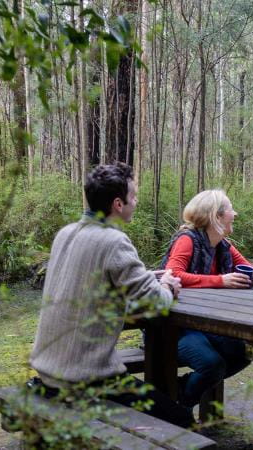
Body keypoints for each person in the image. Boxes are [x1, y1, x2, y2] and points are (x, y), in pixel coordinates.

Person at [29, 163, 193, 428]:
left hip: (47, 372)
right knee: (180, 420)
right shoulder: (113, 241)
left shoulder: (65, 233)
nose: (136, 201)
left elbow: (91, 278)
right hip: (86, 380)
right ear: (118, 203)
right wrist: (168, 287)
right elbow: (156, 302)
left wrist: (147, 278)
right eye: (134, 196)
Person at [160, 189, 253, 408]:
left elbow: (250, 268)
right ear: (217, 216)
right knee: (211, 364)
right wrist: (221, 281)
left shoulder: (223, 246)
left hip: (204, 324)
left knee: (242, 353)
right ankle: (180, 404)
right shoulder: (188, 239)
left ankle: (179, 391)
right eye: (231, 209)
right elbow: (173, 274)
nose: (236, 213)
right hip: (171, 327)